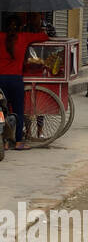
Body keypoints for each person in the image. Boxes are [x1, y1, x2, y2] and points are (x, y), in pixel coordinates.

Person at [0, 14, 49, 149]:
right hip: (16, 79)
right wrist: (38, 25)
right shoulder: (24, 37)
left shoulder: (0, 37)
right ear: (20, 26)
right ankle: (18, 142)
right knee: (18, 111)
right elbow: (45, 37)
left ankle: (3, 142)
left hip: (1, 79)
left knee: (2, 111)